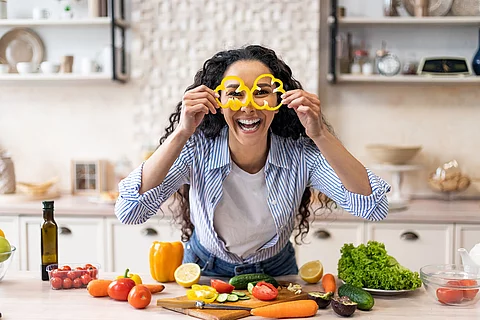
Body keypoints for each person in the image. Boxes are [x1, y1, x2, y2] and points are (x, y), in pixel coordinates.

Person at [115, 45, 391, 278]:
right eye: (235, 93)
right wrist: (182, 133)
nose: (249, 106)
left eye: (261, 92)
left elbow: (374, 207)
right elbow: (129, 210)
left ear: (279, 99)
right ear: (218, 100)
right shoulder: (195, 149)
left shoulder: (301, 153)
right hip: (205, 271)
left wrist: (320, 134)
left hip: (277, 272)